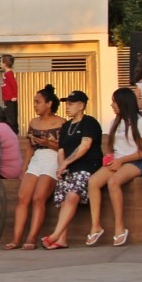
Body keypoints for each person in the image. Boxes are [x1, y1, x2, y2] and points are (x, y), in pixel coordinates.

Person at [86, 87, 142, 247]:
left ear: (123, 103)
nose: (112, 105)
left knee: (113, 182)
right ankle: (96, 226)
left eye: (114, 102)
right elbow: (111, 148)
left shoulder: (139, 122)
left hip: (136, 161)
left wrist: (122, 161)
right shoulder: (114, 122)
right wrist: (109, 158)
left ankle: (119, 227)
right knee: (93, 182)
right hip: (117, 161)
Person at [4, 85, 64, 250]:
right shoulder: (33, 122)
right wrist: (24, 168)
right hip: (37, 159)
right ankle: (16, 239)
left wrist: (48, 143)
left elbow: (64, 147)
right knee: (22, 197)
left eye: (38, 102)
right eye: (34, 102)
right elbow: (30, 147)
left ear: (49, 104)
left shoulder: (61, 122)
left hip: (53, 158)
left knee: (38, 198)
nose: (35, 105)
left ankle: (31, 238)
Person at [41, 91, 103, 250]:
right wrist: (61, 166)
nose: (67, 107)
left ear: (81, 106)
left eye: (71, 104)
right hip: (69, 169)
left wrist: (66, 163)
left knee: (72, 196)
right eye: (66, 104)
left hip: (87, 167)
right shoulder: (66, 126)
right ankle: (62, 239)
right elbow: (61, 150)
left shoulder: (90, 122)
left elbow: (85, 146)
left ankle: (55, 235)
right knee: (63, 200)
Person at [0, 55, 19, 134]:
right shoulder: (6, 74)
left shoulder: (9, 74)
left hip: (10, 99)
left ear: (5, 63)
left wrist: (14, 96)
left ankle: (13, 131)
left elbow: (14, 85)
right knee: (7, 115)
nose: (0, 64)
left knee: (11, 116)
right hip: (7, 99)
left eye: (1, 62)